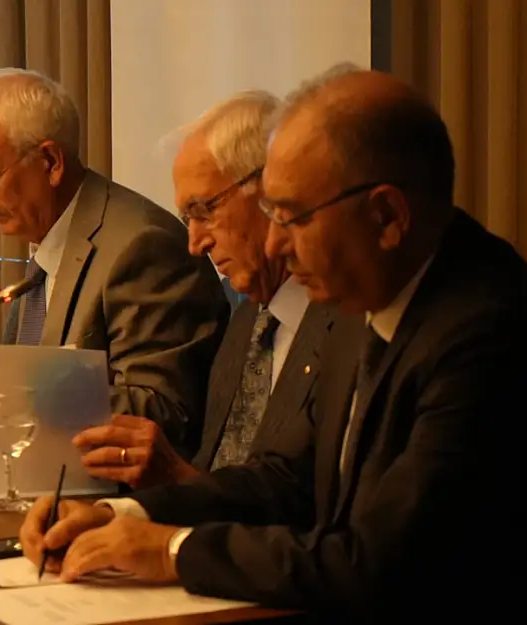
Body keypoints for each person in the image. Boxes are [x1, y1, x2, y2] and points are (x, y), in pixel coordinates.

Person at [18, 66, 527, 618]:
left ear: (386, 217)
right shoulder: (366, 290)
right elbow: (286, 478)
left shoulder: (486, 331)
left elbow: (377, 563)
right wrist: (125, 516)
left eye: (293, 218)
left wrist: (172, 550)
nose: (277, 244)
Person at [0, 68, 229, 458]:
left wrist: (19, 398)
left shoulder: (143, 247)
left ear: (50, 162)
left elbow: (164, 412)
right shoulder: (48, 243)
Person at [72, 91, 339, 488]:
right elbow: (211, 476)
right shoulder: (245, 322)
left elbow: (307, 507)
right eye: (187, 219)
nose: (196, 244)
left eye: (204, 211)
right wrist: (120, 511)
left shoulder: (348, 326)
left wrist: (177, 481)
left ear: (268, 191)